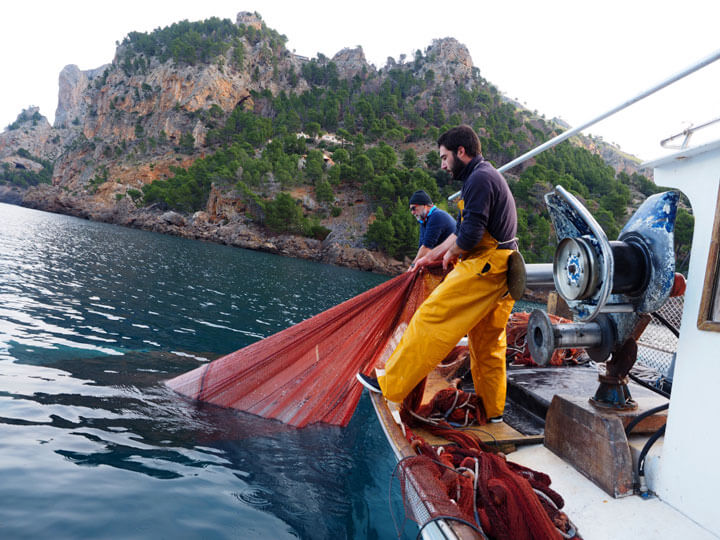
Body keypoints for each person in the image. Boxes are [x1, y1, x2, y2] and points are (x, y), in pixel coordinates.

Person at [357, 125, 518, 422]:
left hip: (486, 265)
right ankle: (493, 412)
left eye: (444, 157)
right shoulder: (486, 175)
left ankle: (389, 385)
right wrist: (445, 253)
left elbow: (469, 236)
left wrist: (451, 254)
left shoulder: (479, 179)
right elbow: (468, 233)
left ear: (461, 152)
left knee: (431, 317)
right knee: (488, 344)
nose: (442, 165)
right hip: (504, 267)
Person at [407, 190, 456, 271]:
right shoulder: (424, 221)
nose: (412, 212)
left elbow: (426, 248)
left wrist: (412, 267)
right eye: (411, 210)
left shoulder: (437, 216)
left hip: (454, 263)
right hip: (442, 262)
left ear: (425, 205)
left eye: (414, 208)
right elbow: (422, 247)